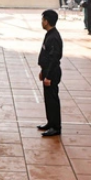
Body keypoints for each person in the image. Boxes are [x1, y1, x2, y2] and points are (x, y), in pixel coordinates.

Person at [37, 9, 63, 137]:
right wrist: (42, 71)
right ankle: (50, 122)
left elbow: (54, 58)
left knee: (52, 99)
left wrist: (48, 76)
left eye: (43, 20)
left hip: (52, 72)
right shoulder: (49, 34)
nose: (42, 22)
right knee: (48, 99)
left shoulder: (54, 37)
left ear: (46, 21)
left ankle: (56, 126)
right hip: (47, 70)